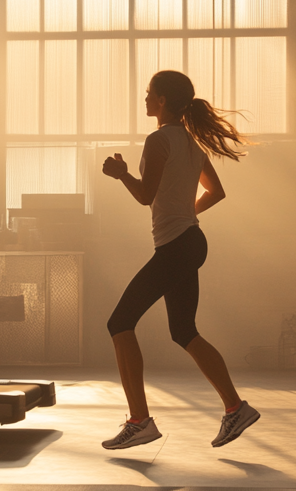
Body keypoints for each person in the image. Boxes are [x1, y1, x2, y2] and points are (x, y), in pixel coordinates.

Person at [99, 69, 259, 450]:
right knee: (183, 331)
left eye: (149, 93)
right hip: (189, 241)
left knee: (119, 322)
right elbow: (216, 192)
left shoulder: (158, 140)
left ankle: (140, 421)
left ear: (162, 101)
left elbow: (144, 196)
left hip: (176, 246)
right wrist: (188, 216)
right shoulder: (190, 141)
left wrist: (121, 174)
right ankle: (236, 408)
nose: (145, 99)